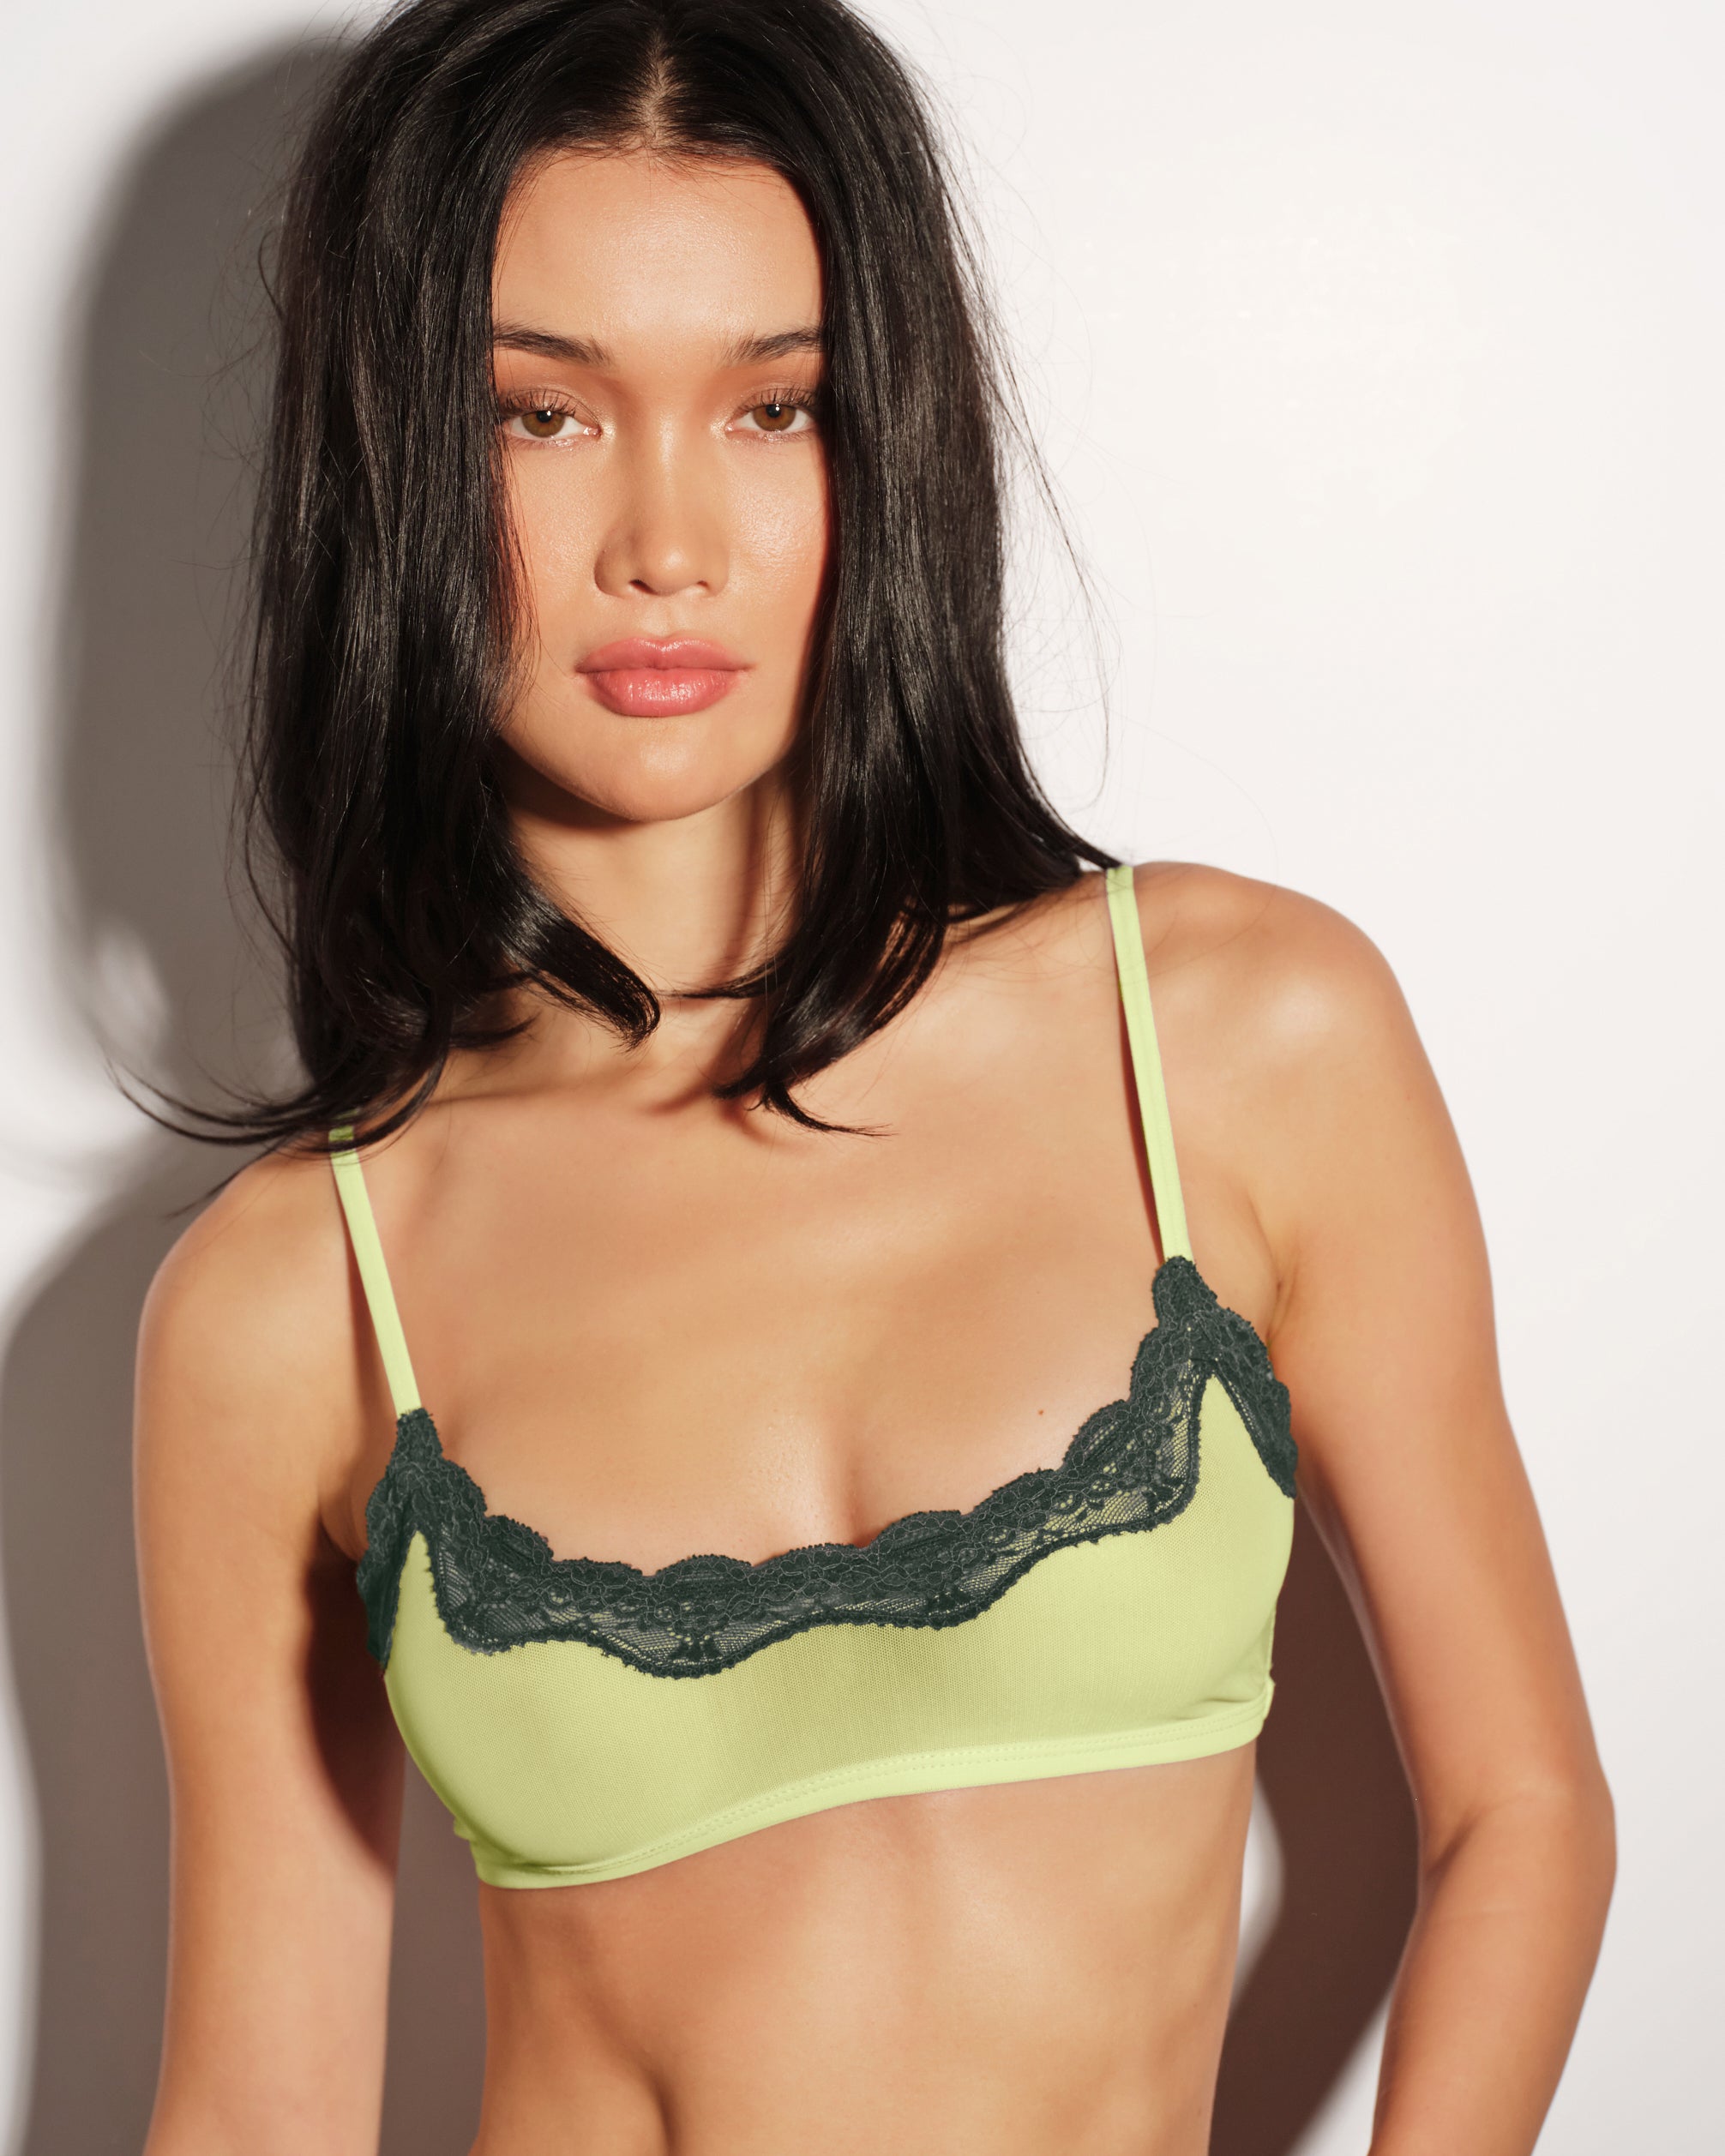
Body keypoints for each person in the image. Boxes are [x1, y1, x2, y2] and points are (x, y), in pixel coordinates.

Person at [132, 2, 1614, 2150]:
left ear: (887, 439)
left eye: (774, 407)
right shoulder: (293, 1298)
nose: (666, 540)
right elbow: (255, 2110)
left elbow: (1522, 1811)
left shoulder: (1229, 1037)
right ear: (394, 461)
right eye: (540, 414)